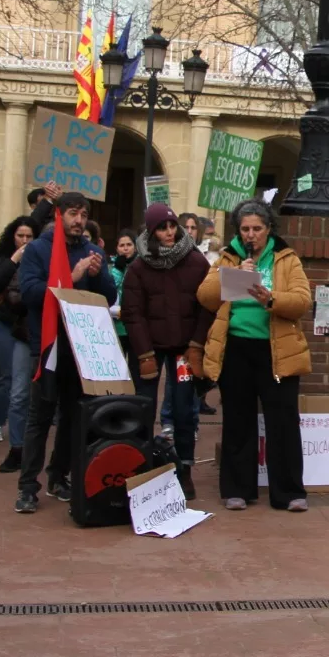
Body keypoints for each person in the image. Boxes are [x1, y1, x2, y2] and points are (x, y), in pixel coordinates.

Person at [197, 201, 312, 512]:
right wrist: (231, 276)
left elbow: (302, 301)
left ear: (268, 229)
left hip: (277, 349)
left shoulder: (286, 259)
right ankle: (238, 489)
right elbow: (205, 298)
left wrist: (272, 298)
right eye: (245, 229)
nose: (251, 235)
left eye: (257, 229)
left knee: (283, 421)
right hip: (236, 347)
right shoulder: (227, 257)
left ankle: (288, 492)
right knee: (238, 419)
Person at [14, 192, 116, 513]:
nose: (79, 220)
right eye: (73, 213)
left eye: (84, 215)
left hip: (80, 346)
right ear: (59, 216)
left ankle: (59, 475)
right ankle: (28, 486)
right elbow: (28, 292)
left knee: (74, 416)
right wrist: (69, 279)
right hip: (47, 345)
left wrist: (98, 274)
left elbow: (109, 297)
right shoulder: (39, 250)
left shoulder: (93, 250)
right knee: (40, 416)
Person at [122, 203, 212, 500]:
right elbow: (132, 313)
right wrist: (144, 353)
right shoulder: (138, 267)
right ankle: (143, 468)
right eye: (162, 228)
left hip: (186, 350)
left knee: (186, 409)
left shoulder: (197, 262)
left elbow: (207, 307)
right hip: (150, 350)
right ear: (151, 231)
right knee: (143, 407)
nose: (170, 232)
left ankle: (184, 468)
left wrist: (197, 345)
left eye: (172, 225)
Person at [0, 216, 36, 472]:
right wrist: (16, 259)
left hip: (43, 335)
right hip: (20, 333)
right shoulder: (7, 260)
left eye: (30, 237)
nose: (25, 241)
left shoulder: (44, 259)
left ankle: (33, 450)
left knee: (39, 398)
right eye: (21, 236)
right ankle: (16, 448)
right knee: (17, 394)